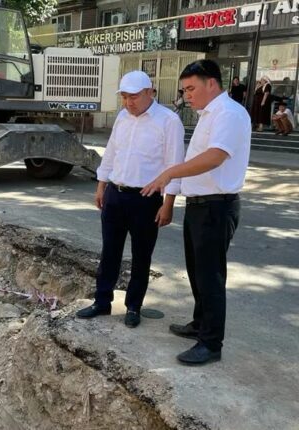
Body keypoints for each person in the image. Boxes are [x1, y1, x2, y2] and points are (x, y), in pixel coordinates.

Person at [142, 59, 250, 365]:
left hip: (217, 205)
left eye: (191, 88)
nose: (187, 96)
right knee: (197, 272)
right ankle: (200, 324)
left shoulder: (229, 113)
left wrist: (170, 172)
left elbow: (215, 157)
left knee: (210, 276)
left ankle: (211, 344)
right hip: (200, 205)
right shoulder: (209, 114)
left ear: (211, 83)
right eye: (184, 90)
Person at [76, 70, 185, 328]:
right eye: (124, 97)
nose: (128, 103)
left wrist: (168, 204)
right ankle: (102, 301)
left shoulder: (168, 121)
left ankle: (134, 306)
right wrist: (101, 186)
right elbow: (112, 153)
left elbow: (175, 165)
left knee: (141, 255)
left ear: (150, 93)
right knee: (109, 252)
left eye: (133, 97)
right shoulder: (123, 118)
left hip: (146, 199)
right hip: (116, 193)